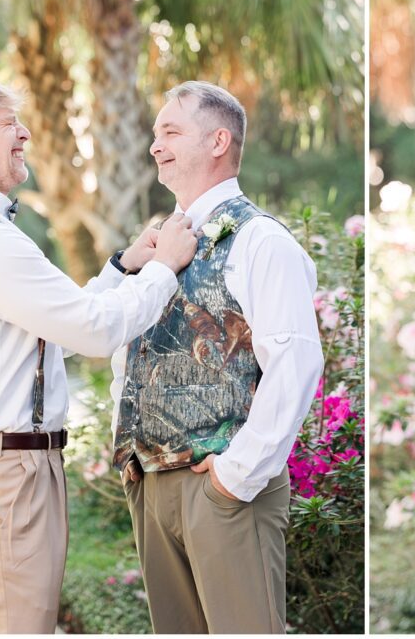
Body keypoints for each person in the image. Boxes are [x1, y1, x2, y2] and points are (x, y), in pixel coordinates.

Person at [0, 74, 198, 633]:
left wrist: (122, 269)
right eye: (7, 125)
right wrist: (164, 269)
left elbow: (54, 333)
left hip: (5, 471)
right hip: (1, 476)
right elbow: (92, 334)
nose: (23, 135)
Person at [110, 81, 324, 634]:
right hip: (151, 486)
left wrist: (234, 478)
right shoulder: (159, 243)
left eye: (171, 132)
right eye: (155, 135)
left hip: (223, 490)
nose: (155, 145)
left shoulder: (261, 241)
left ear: (218, 141)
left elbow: (295, 364)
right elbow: (127, 350)